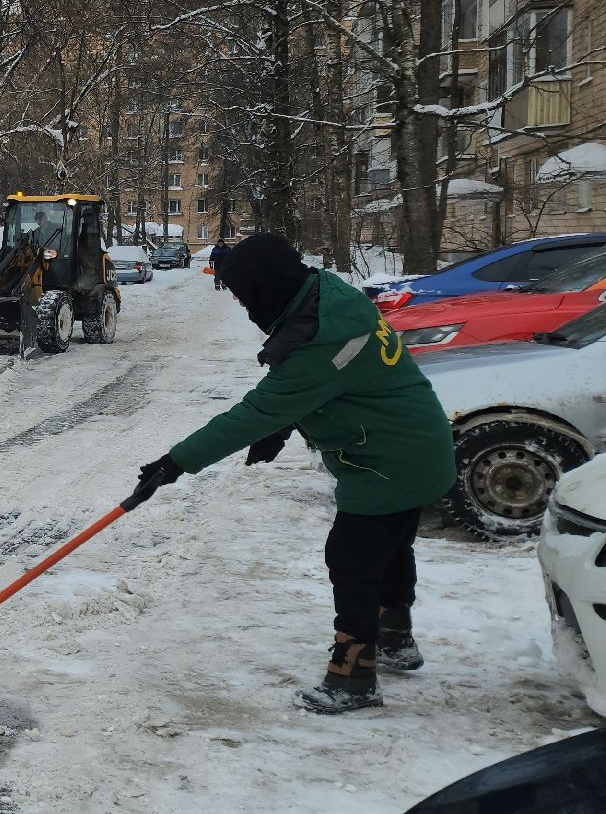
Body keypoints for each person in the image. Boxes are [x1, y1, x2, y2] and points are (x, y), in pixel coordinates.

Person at [127, 232, 455, 714]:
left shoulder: (322, 340)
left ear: (267, 285)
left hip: (387, 462)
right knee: (387, 548)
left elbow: (254, 411)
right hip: (416, 450)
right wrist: (284, 425)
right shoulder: (329, 300)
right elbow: (334, 383)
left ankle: (353, 677)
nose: (243, 305)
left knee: (353, 558)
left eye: (244, 295)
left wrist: (174, 463)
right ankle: (395, 638)